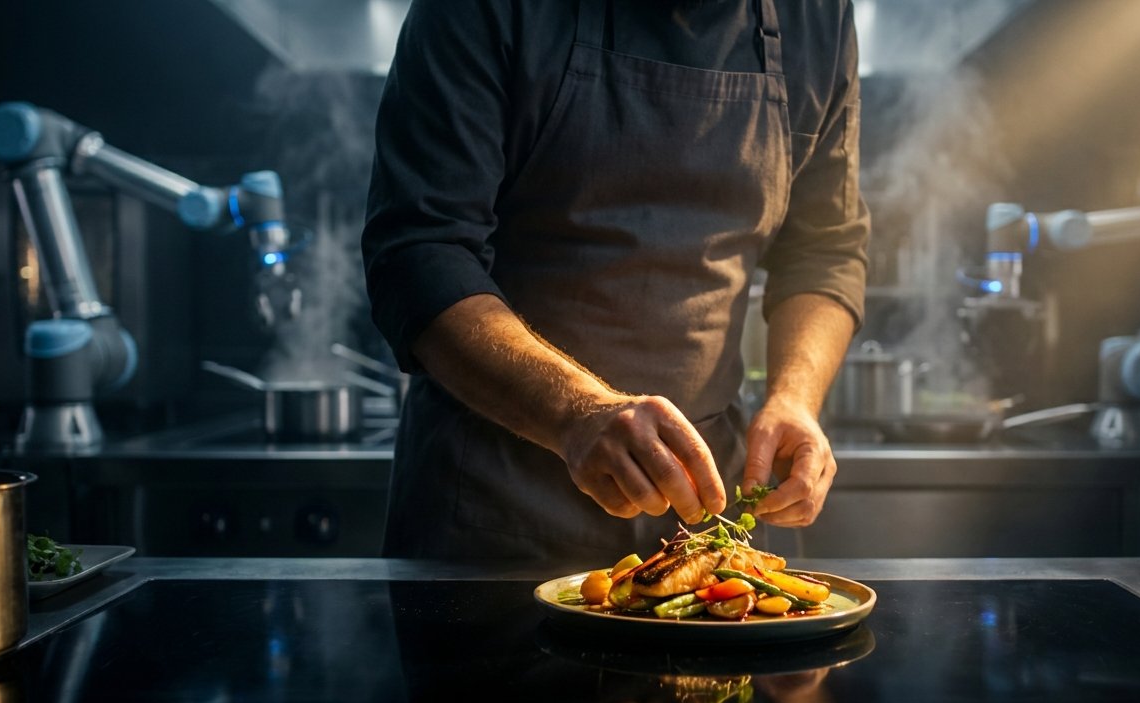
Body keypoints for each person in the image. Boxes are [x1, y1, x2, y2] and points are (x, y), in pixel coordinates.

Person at [362, 0, 870, 561]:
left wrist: (794, 399)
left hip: (710, 515)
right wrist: (576, 413)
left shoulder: (817, 14)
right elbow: (421, 254)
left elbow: (825, 249)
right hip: (494, 510)